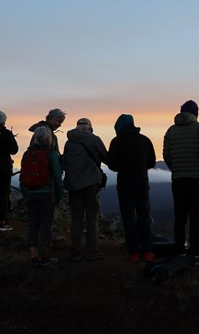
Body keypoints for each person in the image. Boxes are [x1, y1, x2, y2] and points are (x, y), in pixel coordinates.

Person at [163, 100, 199, 263]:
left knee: (180, 217)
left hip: (178, 180)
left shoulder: (170, 131)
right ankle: (195, 253)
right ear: (196, 113)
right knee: (195, 217)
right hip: (197, 179)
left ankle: (180, 252)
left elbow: (167, 156)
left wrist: (176, 169)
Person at [106, 114, 157, 263]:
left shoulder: (116, 142)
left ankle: (133, 253)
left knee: (128, 219)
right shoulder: (144, 140)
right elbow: (152, 162)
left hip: (124, 186)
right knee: (144, 217)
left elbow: (113, 166)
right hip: (142, 184)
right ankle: (148, 251)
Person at [62, 117, 108, 261]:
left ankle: (75, 251)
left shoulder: (69, 143)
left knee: (76, 218)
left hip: (73, 185)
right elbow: (106, 158)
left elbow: (64, 163)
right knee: (92, 218)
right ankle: (92, 252)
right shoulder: (94, 140)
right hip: (91, 184)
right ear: (90, 127)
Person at [21, 125, 64, 265]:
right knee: (46, 224)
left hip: (30, 194)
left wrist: (25, 194)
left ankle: (33, 257)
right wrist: (60, 194)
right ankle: (44, 257)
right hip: (47, 194)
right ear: (49, 137)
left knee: (33, 223)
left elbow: (22, 177)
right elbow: (57, 176)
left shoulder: (27, 154)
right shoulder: (52, 154)